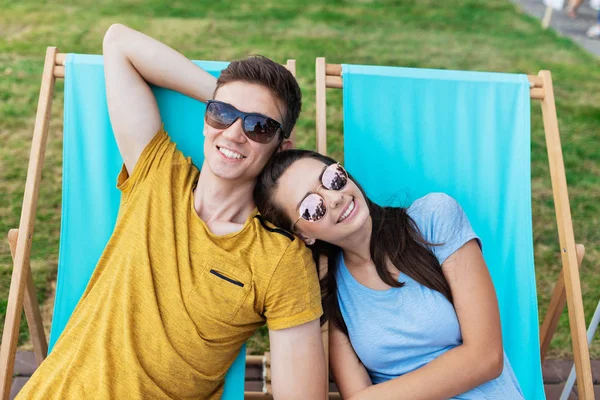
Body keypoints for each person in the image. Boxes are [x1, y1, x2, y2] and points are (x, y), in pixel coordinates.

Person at [16, 24, 326, 400]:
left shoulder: (279, 260)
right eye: (222, 114)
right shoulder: (159, 173)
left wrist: (228, 105)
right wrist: (220, 96)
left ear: (281, 148)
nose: (232, 134)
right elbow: (118, 42)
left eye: (258, 126)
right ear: (206, 118)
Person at [254, 150, 525, 400]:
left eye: (332, 178)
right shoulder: (329, 289)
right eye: (312, 208)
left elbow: (486, 358)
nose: (335, 198)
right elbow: (355, 391)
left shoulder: (432, 219)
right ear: (304, 235)